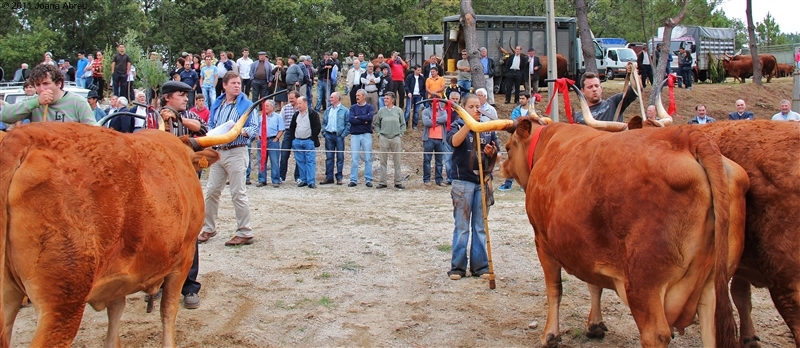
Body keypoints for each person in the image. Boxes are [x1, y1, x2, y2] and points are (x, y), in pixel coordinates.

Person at [157, 80, 209, 309]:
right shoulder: (151, 117)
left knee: (190, 234)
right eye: (181, 95)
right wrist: (163, 120)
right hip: (159, 187)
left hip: (186, 184)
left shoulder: (187, 116)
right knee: (159, 235)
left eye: (187, 95)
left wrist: (179, 119)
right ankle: (157, 282)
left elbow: (204, 130)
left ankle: (189, 286)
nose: (186, 99)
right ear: (167, 97)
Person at [199, 72, 259, 247]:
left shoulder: (247, 105)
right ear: (224, 85)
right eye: (233, 83)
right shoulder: (218, 104)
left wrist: (239, 130)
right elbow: (211, 124)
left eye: (239, 83)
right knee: (211, 192)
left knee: (238, 193)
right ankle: (209, 228)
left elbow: (254, 129)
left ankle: (245, 232)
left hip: (236, 151)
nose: (237, 86)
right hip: (218, 152)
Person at [446, 94, 498, 280]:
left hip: (482, 182)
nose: (476, 109)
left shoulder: (487, 128)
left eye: (478, 106)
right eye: (471, 106)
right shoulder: (457, 125)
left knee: (480, 226)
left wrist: (492, 153)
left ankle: (480, 267)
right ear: (463, 108)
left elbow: (497, 156)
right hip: (463, 182)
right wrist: (470, 124)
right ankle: (458, 268)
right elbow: (454, 142)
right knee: (462, 227)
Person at [1, 64, 96, 125]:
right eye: (37, 85)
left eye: (46, 84)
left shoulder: (77, 102)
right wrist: (36, 102)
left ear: (59, 83)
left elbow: (94, 132)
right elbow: (4, 116)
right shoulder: (33, 101)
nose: (42, 89)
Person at [573, 69, 637, 124]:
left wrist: (634, 72)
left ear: (601, 88)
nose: (594, 89)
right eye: (590, 87)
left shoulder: (614, 103)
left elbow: (635, 89)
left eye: (597, 86)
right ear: (582, 91)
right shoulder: (578, 117)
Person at [499, 92, 532, 191]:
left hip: (527, 142)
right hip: (516, 141)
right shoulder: (516, 111)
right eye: (520, 98)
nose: (521, 100)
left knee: (525, 163)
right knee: (513, 162)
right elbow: (513, 123)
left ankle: (524, 184)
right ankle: (508, 184)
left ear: (528, 99)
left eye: (523, 98)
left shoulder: (532, 111)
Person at [374, 92, 406, 189]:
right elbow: (377, 124)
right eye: (384, 98)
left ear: (392, 100)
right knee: (383, 161)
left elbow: (403, 124)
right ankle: (383, 182)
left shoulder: (398, 111)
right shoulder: (381, 111)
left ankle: (398, 182)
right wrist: (379, 134)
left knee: (397, 161)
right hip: (384, 137)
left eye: (387, 98)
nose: (385, 100)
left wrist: (400, 134)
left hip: (396, 137)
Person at [288, 96, 321, 188]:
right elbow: (292, 128)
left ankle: (311, 181)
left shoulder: (313, 114)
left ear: (305, 103)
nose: (298, 105)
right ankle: (303, 179)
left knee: (310, 161)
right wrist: (293, 139)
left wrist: (312, 138)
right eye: (297, 103)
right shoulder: (296, 115)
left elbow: (317, 127)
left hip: (308, 141)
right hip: (297, 141)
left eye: (300, 103)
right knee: (300, 162)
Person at [320, 92, 350, 185]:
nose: (330, 99)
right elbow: (324, 122)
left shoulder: (345, 110)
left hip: (339, 136)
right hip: (329, 135)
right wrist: (324, 132)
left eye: (332, 97)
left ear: (337, 99)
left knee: (340, 157)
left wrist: (343, 134)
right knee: (329, 157)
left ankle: (339, 177)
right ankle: (329, 177)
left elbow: (348, 124)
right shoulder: (328, 110)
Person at [255, 100, 285, 187]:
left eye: (267, 106)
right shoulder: (260, 117)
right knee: (261, 161)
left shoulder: (278, 117)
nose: (265, 107)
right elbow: (256, 128)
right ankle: (262, 180)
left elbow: (281, 129)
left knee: (274, 161)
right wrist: (258, 138)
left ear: (273, 107)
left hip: (272, 141)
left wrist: (276, 138)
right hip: (262, 140)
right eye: (264, 106)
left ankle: (275, 180)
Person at [348, 89, 375, 187]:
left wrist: (357, 118)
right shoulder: (353, 108)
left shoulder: (369, 107)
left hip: (366, 135)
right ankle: (353, 179)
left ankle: (368, 179)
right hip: (355, 135)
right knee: (354, 158)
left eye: (359, 95)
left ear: (364, 96)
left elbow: (370, 118)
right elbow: (351, 119)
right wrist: (363, 119)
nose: (357, 97)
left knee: (368, 158)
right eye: (356, 95)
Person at [421, 97, 449, 187]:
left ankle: (439, 180)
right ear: (431, 103)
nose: (438, 104)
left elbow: (445, 119)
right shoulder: (425, 111)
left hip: (440, 139)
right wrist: (438, 121)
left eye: (438, 102)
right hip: (429, 139)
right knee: (427, 160)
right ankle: (426, 179)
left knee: (439, 161)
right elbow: (426, 123)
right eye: (435, 102)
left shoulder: (443, 111)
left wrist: (433, 121)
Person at [280, 91, 301, 183]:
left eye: (292, 98)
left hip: (299, 133)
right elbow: (281, 121)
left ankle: (298, 177)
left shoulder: (302, 108)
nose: (290, 100)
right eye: (289, 98)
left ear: (297, 98)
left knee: (299, 156)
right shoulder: (285, 108)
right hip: (288, 133)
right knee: (284, 155)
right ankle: (281, 176)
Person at [404, 65, 426, 130]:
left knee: (416, 111)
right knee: (408, 110)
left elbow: (424, 87)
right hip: (410, 95)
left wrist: (421, 94)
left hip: (418, 96)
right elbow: (406, 85)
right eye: (418, 70)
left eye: (420, 70)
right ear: (415, 70)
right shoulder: (409, 77)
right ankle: (405, 124)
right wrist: (408, 92)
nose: (419, 71)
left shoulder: (422, 78)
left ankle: (414, 124)